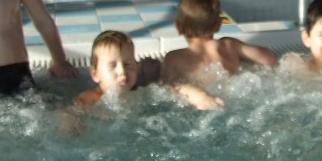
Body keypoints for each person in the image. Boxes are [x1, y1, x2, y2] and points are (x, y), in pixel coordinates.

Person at [73, 29, 221, 111]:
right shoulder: (90, 98)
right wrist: (70, 121)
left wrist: (200, 96)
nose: (122, 71)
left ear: (136, 66)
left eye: (127, 64)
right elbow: (71, 112)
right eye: (113, 66)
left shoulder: (139, 93)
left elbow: (174, 89)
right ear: (95, 74)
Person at [161, 0, 276, 86]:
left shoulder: (174, 57)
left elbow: (168, 87)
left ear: (178, 27)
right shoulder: (229, 45)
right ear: (219, 24)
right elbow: (267, 58)